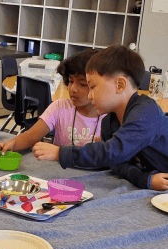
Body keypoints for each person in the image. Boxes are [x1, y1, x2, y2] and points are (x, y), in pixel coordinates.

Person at [33, 45, 168, 190]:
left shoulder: (146, 112)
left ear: (120, 85)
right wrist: (144, 179)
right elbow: (117, 164)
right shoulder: (108, 122)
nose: (90, 95)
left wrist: (61, 153)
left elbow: (114, 151)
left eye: (92, 87)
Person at [0, 49, 106, 155]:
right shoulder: (60, 106)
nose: (73, 89)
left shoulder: (110, 117)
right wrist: (12, 144)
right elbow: (31, 136)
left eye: (82, 84)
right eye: (70, 81)